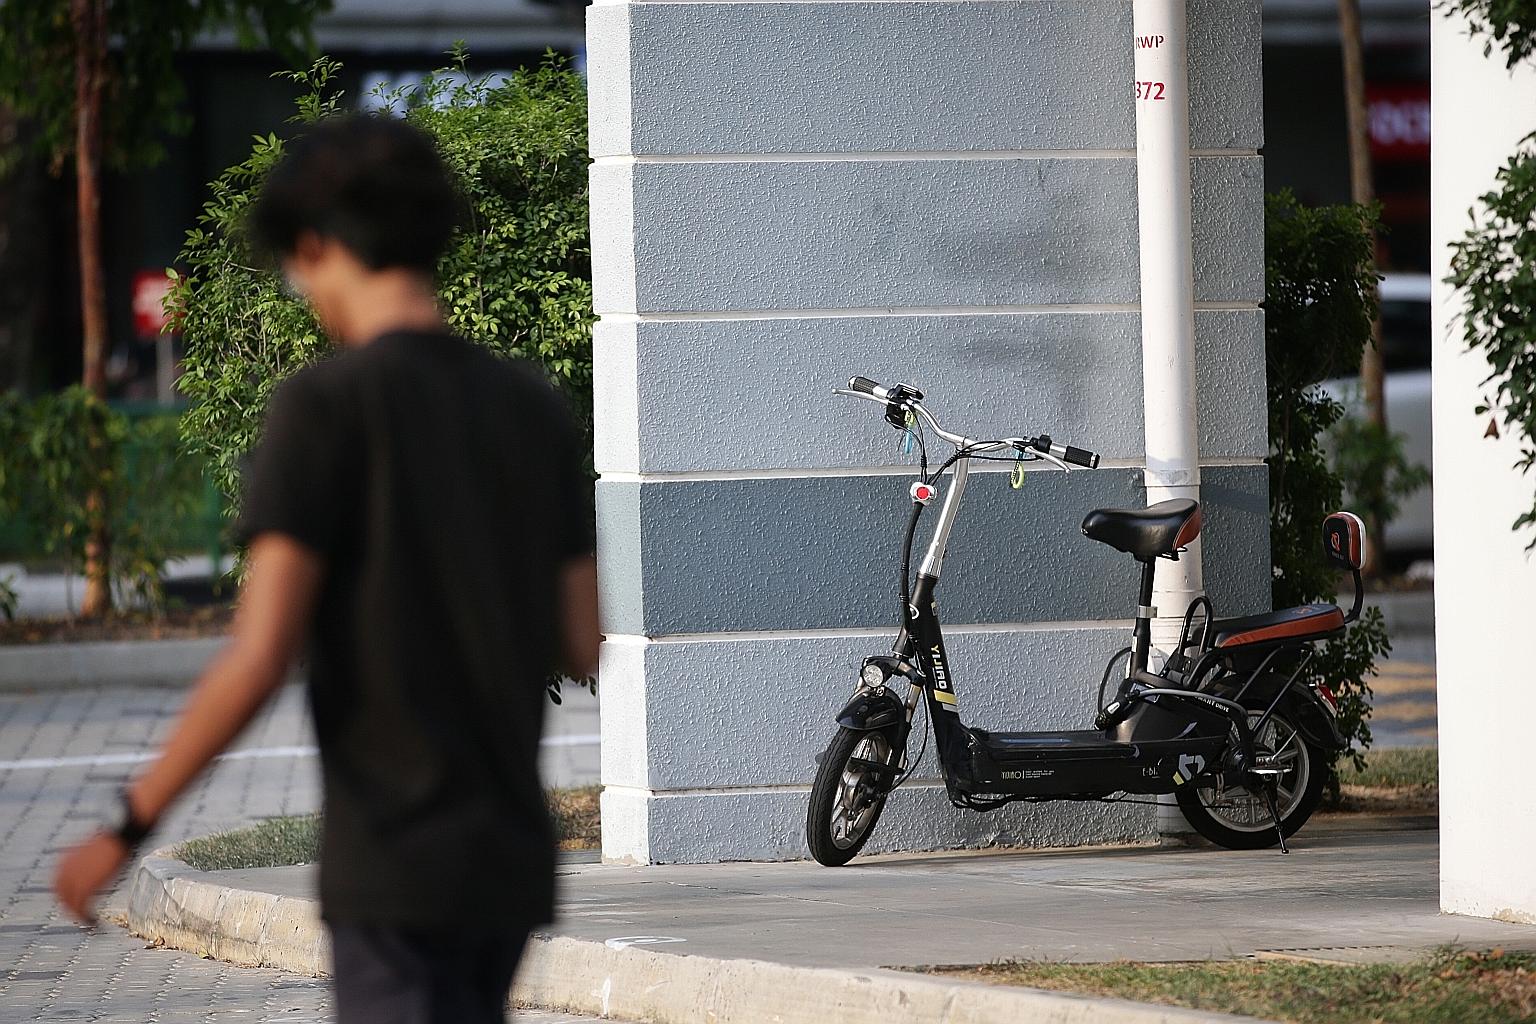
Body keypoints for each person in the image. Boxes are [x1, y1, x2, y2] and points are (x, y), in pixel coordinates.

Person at [53, 114, 600, 1024]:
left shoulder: (325, 406)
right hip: (506, 859)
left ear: (314, 246)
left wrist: (125, 828)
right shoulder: (532, 407)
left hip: (391, 861)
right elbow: (581, 641)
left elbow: (258, 655)